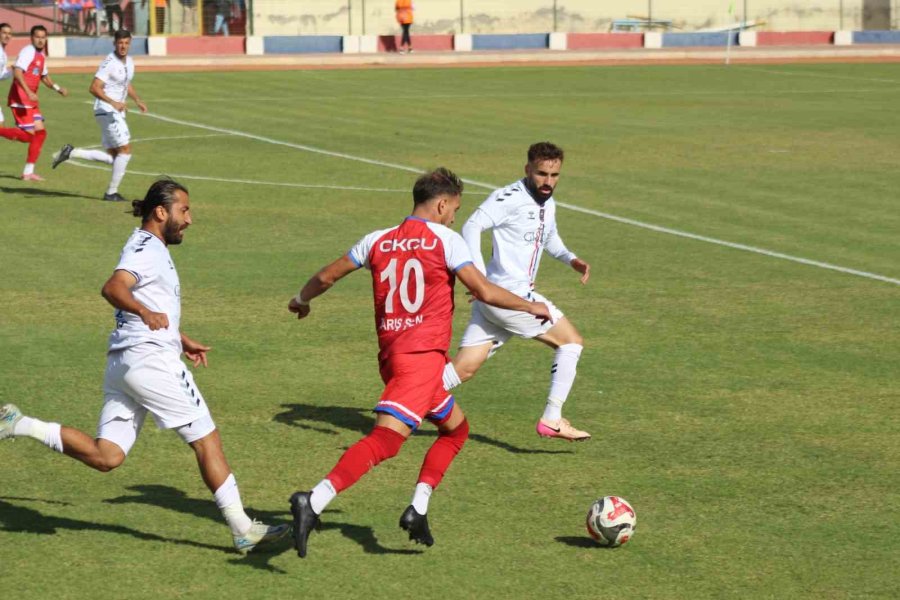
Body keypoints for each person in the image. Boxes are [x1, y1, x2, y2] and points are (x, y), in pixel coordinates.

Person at [0, 178, 289, 554]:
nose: (189, 219)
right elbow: (113, 288)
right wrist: (144, 312)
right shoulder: (148, 249)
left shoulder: (144, 246)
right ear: (161, 212)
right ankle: (242, 528)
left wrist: (179, 338)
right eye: (184, 210)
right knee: (206, 439)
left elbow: (150, 300)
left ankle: (19, 423)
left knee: (107, 456)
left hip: (123, 364)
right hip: (150, 361)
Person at [286, 168, 552, 558]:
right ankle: (314, 500)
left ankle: (418, 509)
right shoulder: (446, 240)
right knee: (386, 441)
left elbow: (327, 276)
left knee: (456, 431)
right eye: (454, 210)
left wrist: (301, 299)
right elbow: (482, 290)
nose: (454, 218)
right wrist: (530, 306)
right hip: (421, 362)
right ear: (441, 204)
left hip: (393, 359)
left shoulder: (377, 239)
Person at [441, 142, 592, 442]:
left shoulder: (547, 201)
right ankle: (551, 418)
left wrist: (571, 259)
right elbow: (472, 226)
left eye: (554, 175)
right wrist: (478, 279)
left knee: (463, 369)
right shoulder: (509, 197)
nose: (548, 181)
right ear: (527, 169)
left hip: (494, 300)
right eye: (541, 174)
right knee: (571, 342)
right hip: (509, 297)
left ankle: (402, 404)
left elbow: (549, 238)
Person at [51, 29, 146, 202]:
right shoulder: (109, 62)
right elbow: (94, 87)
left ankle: (71, 153)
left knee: (114, 158)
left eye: (126, 43)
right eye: (120, 43)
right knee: (125, 151)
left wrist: (137, 100)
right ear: (114, 43)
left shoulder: (130, 62)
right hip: (107, 110)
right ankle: (111, 193)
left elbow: (126, 84)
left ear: (130, 44)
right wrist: (113, 102)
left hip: (114, 112)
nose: (123, 46)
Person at [0, 25, 68, 182]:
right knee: (28, 136)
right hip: (21, 99)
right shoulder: (28, 52)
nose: (41, 40)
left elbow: (44, 76)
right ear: (31, 38)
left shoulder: (41, 55)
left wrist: (58, 88)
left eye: (43, 37)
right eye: (38, 37)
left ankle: (28, 172)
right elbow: (18, 72)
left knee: (40, 133)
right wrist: (28, 92)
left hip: (30, 100)